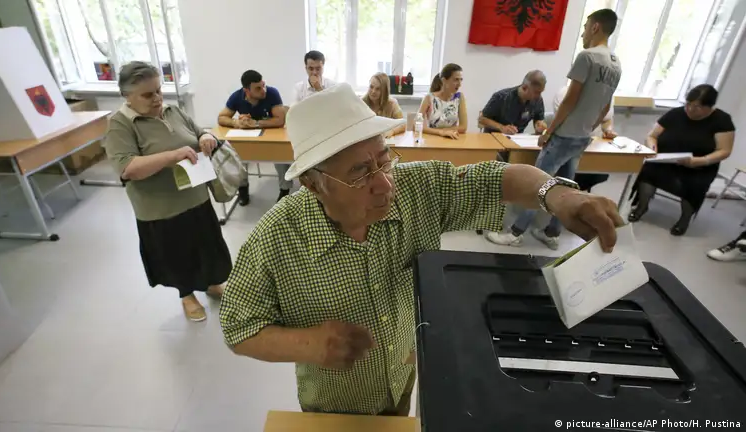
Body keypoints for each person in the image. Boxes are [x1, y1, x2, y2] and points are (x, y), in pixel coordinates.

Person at [219, 83, 622, 416]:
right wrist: (306, 345)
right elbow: (239, 327)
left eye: (384, 160)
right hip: (332, 405)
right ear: (313, 184)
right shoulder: (277, 238)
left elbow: (496, 179)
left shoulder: (417, 190)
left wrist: (557, 195)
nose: (385, 184)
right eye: (359, 173)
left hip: (403, 377)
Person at [105, 61, 231, 322]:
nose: (157, 98)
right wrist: (172, 156)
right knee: (177, 255)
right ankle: (187, 296)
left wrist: (206, 138)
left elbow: (199, 132)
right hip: (161, 209)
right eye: (147, 94)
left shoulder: (173, 111)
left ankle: (210, 283)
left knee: (206, 246)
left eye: (159, 90)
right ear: (127, 96)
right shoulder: (120, 124)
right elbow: (127, 168)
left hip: (195, 197)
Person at [486, 8, 621, 250]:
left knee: (539, 186)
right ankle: (551, 232)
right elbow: (605, 106)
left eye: (585, 28)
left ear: (595, 27)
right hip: (583, 136)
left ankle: (515, 233)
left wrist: (549, 132)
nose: (583, 34)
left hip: (564, 136)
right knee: (568, 186)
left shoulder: (587, 57)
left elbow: (570, 100)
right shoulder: (616, 64)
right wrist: (590, 127)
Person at [628, 84, 735, 236]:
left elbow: (724, 151)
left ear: (709, 107)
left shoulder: (722, 121)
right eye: (688, 104)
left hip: (699, 167)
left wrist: (699, 161)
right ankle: (641, 207)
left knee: (695, 185)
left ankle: (684, 219)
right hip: (666, 161)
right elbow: (652, 135)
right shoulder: (675, 114)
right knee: (648, 171)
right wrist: (652, 148)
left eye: (697, 107)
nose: (690, 109)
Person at [218, 70, 290, 203]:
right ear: (246, 90)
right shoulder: (236, 96)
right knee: (237, 154)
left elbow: (280, 120)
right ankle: (243, 188)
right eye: (258, 88)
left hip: (272, 136)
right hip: (249, 138)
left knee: (280, 156)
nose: (263, 90)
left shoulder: (272, 93)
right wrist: (236, 123)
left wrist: (255, 123)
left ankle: (284, 190)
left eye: (263, 85)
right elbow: (221, 117)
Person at [553, 83, 618, 192]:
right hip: (570, 142)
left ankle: (574, 194)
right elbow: (563, 121)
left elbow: (607, 119)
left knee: (598, 172)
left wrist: (608, 130)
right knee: (567, 174)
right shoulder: (564, 94)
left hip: (593, 148)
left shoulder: (606, 95)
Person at [479, 70, 547, 135]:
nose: (539, 96)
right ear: (524, 87)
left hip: (517, 139)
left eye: (541, 92)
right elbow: (482, 119)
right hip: (494, 137)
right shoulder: (501, 97)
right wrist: (502, 127)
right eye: (536, 92)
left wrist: (539, 126)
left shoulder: (538, 100)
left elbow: (538, 120)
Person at [417, 63, 467, 139]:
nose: (459, 84)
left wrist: (445, 132)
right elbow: (417, 124)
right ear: (444, 80)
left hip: (452, 138)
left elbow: (463, 127)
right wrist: (441, 132)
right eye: (456, 80)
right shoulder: (429, 98)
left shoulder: (459, 97)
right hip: (432, 139)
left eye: (461, 80)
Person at [362, 72, 406, 137]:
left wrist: (392, 131)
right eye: (371, 87)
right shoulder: (361, 102)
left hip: (385, 140)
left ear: (384, 91)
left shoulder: (392, 103)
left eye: (378, 89)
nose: (373, 91)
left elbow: (403, 124)